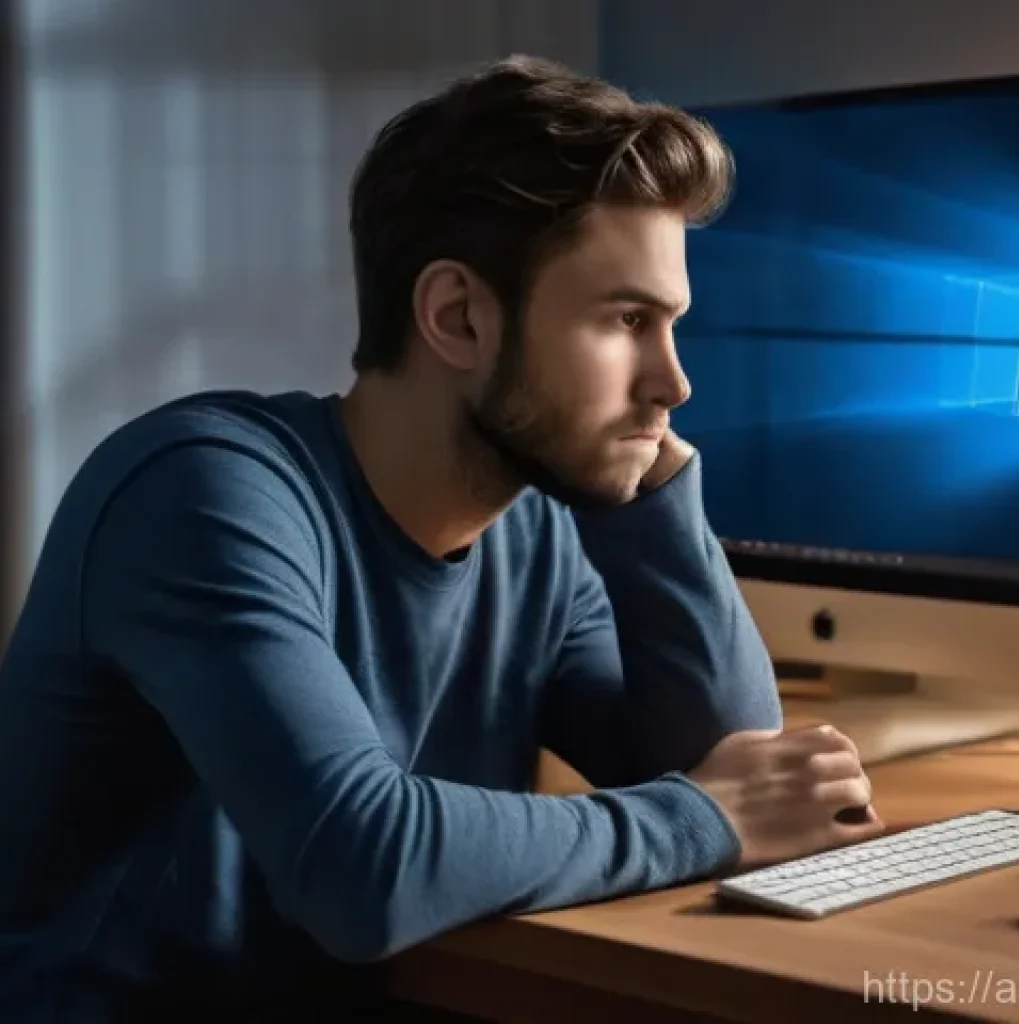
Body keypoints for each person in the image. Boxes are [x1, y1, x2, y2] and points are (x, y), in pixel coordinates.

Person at [0, 55, 883, 1022]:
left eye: (669, 326)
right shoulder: (202, 493)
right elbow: (360, 866)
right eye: (628, 320)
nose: (674, 383)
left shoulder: (536, 532)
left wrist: (657, 497)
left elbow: (734, 767)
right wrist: (704, 816)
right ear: (458, 316)